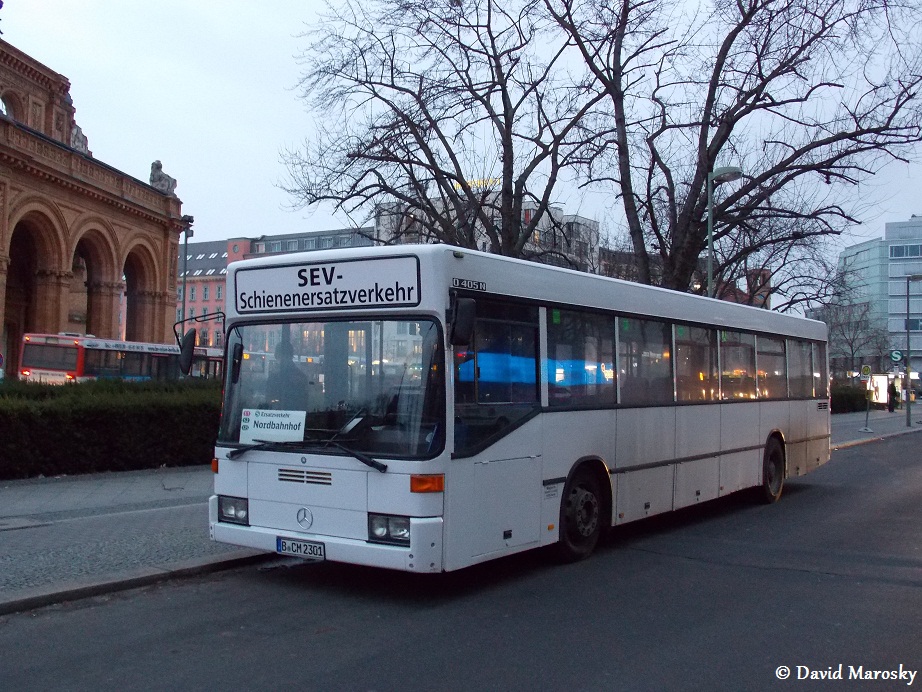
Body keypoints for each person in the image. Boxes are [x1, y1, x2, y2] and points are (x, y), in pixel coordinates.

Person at [265, 341, 310, 410]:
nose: (282, 360)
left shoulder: (274, 377)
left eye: (282, 356)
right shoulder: (301, 376)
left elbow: (269, 399)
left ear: (276, 356)